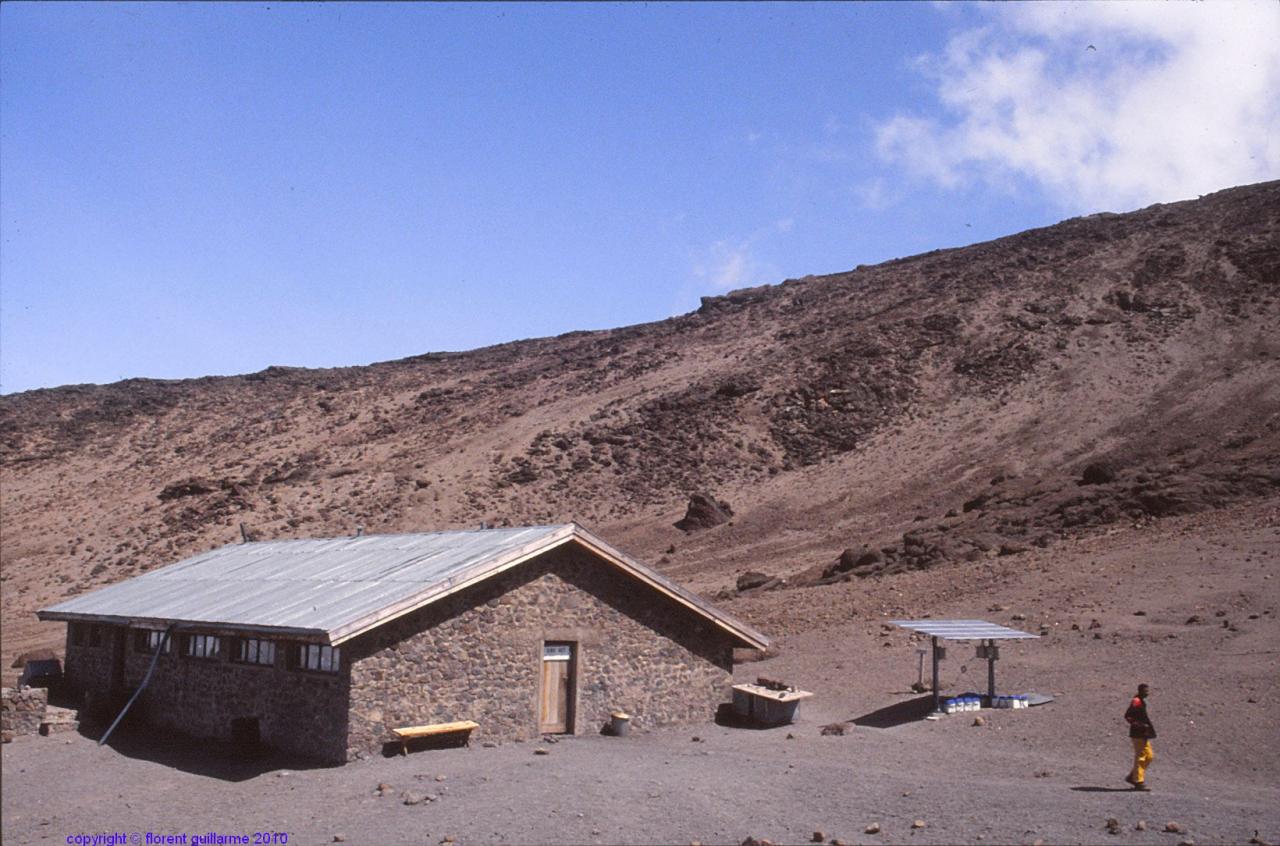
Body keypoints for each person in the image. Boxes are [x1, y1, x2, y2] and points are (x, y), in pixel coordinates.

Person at [1124, 683, 1156, 789]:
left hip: (1143, 734)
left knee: (1149, 756)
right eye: (1145, 691)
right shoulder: (1136, 701)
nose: (1147, 693)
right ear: (1140, 691)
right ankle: (1138, 781)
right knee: (1141, 756)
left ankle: (1133, 776)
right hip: (1138, 734)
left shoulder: (1141, 701)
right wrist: (1139, 726)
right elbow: (1128, 716)